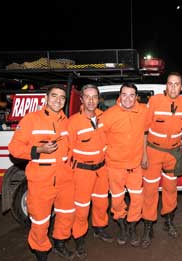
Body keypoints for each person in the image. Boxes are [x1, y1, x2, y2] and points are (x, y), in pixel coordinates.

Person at [8, 84, 75, 260]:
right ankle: (41, 251)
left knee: (66, 214)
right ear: (46, 98)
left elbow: (70, 148)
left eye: (62, 97)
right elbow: (14, 148)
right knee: (40, 220)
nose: (58, 100)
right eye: (54, 96)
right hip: (41, 180)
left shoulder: (66, 121)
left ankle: (60, 242)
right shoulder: (31, 119)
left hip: (65, 179)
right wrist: (38, 149)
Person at [141, 72, 182, 248]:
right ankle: (148, 225)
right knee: (150, 190)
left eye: (176, 84)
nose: (173, 87)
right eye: (170, 84)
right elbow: (144, 129)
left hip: (173, 153)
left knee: (171, 189)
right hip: (153, 151)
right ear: (166, 85)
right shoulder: (154, 101)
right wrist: (144, 154)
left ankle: (169, 220)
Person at [68, 84, 112, 258]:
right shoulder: (73, 122)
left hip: (101, 170)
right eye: (87, 97)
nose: (91, 101)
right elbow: (68, 151)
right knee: (81, 208)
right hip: (82, 172)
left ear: (99, 99)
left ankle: (99, 229)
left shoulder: (104, 118)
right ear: (82, 99)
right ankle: (79, 238)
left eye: (94, 97)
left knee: (102, 203)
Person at [101, 82, 147, 247]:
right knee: (117, 200)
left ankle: (132, 226)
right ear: (119, 96)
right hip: (115, 167)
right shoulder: (109, 114)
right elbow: (100, 137)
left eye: (131, 95)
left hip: (135, 166)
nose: (128, 98)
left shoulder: (143, 111)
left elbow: (146, 132)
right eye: (124, 94)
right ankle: (122, 227)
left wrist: (145, 155)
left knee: (137, 199)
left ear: (136, 97)